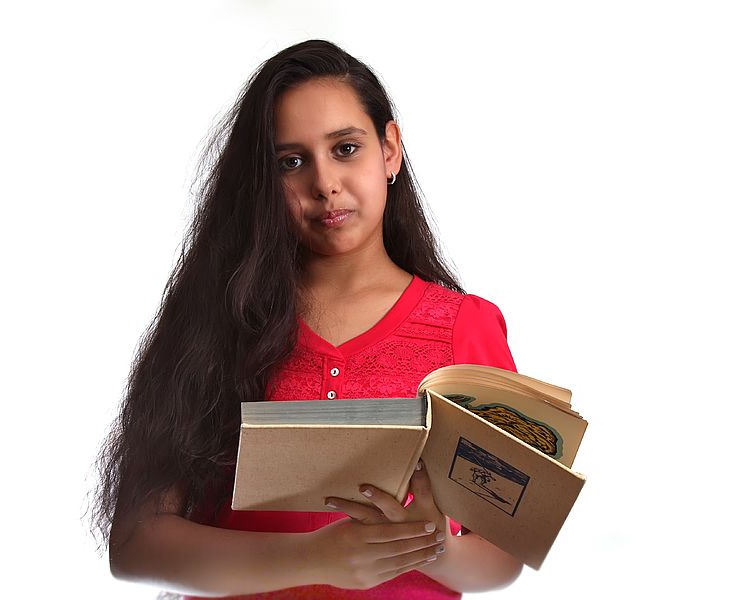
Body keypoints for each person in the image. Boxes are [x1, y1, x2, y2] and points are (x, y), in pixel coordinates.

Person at [89, 39, 524, 599]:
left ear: (390, 150)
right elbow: (135, 545)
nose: (324, 184)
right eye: (291, 162)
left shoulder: (466, 326)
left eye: (346, 148)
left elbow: (504, 558)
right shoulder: (215, 321)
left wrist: (433, 546)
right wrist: (314, 557)